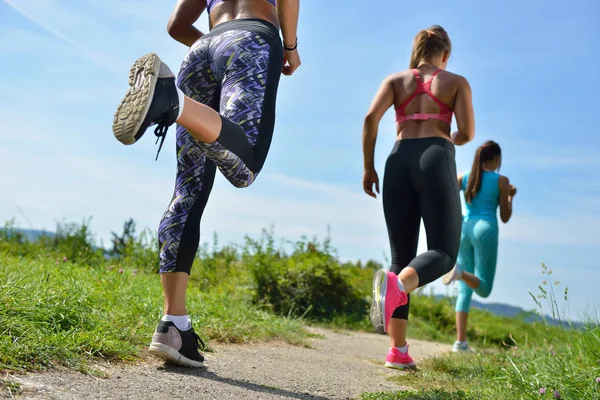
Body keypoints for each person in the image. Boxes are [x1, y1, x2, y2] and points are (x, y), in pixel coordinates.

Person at [111, 0, 301, 368]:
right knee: (244, 165)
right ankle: (173, 103)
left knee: (188, 190)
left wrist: (215, 45)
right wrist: (289, 48)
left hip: (200, 51)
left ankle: (174, 326)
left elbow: (177, 25)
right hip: (252, 40)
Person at [362, 25, 475, 370]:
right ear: (446, 54)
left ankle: (398, 351)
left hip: (397, 160)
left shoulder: (395, 80)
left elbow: (371, 118)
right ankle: (399, 287)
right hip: (435, 157)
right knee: (443, 251)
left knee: (401, 257)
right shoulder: (456, 82)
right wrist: (445, 135)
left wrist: (369, 167)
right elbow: (467, 134)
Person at [441, 140, 516, 352]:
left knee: (464, 291)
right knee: (483, 288)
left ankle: (460, 343)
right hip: (486, 230)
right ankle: (460, 273)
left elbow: (446, 198)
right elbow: (505, 216)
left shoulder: (464, 178)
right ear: (497, 159)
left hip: (465, 228)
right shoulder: (502, 181)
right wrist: (509, 197)